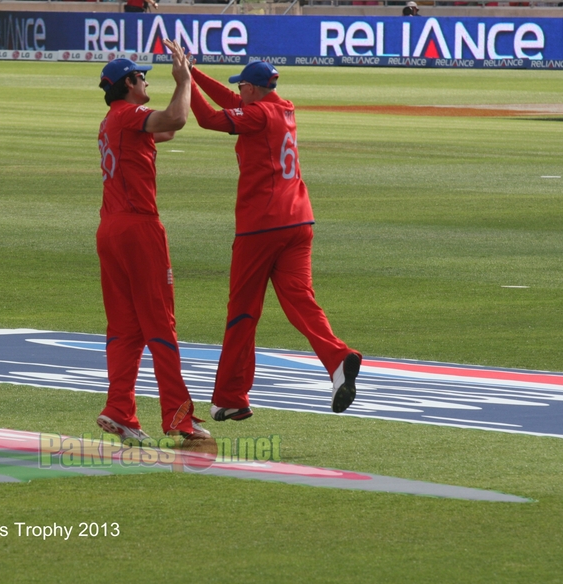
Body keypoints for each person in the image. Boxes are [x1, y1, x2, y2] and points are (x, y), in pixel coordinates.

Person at [187, 59, 363, 422]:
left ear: (251, 90)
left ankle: (230, 396)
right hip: (299, 220)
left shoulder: (256, 116)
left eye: (241, 87)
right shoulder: (282, 107)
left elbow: (208, 118)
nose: (236, 92)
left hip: (261, 227)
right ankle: (337, 360)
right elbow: (231, 101)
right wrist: (193, 72)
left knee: (242, 313)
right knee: (302, 301)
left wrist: (182, 84)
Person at [95, 41, 209, 443]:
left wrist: (181, 89)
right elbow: (177, 118)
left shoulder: (112, 121)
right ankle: (179, 417)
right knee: (161, 324)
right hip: (138, 229)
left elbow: (166, 131)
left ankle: (119, 409)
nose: (146, 81)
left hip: (109, 229)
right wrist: (185, 79)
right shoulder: (128, 115)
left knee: (125, 328)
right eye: (142, 77)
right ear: (129, 83)